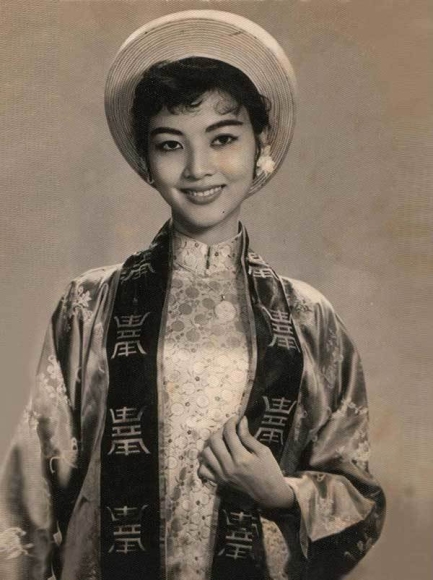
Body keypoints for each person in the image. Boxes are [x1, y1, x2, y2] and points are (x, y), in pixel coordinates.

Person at [0, 10, 385, 580]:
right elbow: (27, 499)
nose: (198, 168)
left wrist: (282, 494)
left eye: (223, 138)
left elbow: (359, 497)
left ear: (261, 144)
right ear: (147, 161)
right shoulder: (90, 305)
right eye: (170, 144)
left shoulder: (307, 319)